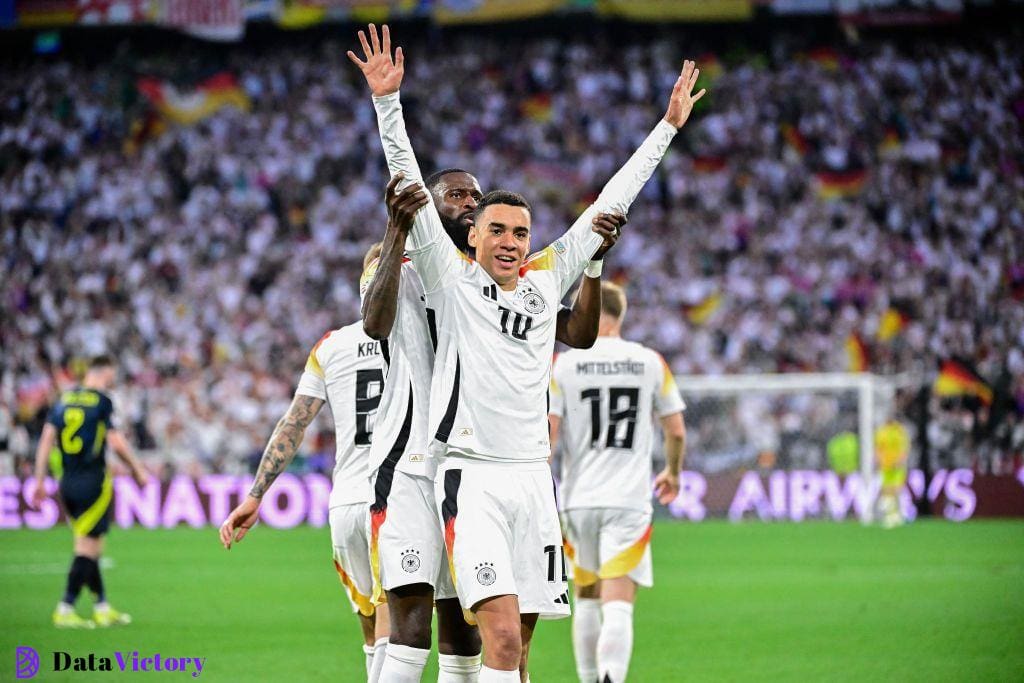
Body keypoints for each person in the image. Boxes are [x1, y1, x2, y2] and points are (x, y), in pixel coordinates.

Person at [347, 23, 704, 681]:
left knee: (518, 651)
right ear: (472, 238)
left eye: (521, 231)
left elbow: (612, 202)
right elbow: (408, 180)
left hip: (537, 479)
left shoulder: (545, 280)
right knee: (500, 638)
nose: (511, 240)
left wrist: (667, 128)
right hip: (472, 475)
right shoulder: (452, 280)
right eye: (497, 230)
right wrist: (386, 103)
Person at [358, 169, 623, 681]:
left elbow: (571, 328)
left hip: (481, 465)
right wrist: (397, 231)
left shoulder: (507, 282)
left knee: (469, 638)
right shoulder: (405, 264)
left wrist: (590, 260)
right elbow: (374, 323)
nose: (468, 202)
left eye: (475, 196)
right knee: (408, 632)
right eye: (456, 195)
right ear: (429, 206)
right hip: (411, 465)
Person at [220, 246, 392, 682]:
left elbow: (292, 425)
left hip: (346, 502)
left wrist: (256, 495)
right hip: (397, 498)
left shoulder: (331, 346)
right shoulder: (422, 336)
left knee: (371, 630)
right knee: (403, 631)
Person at [548, 282, 687, 683]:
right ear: (621, 315)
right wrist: (673, 472)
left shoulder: (564, 365)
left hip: (578, 499)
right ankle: (611, 677)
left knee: (587, 598)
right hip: (627, 498)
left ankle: (589, 678)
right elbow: (675, 430)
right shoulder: (648, 362)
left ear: (586, 311)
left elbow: (549, 436)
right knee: (619, 604)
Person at [29, 355, 149, 628]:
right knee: (87, 548)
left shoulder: (63, 399)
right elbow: (116, 442)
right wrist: (138, 469)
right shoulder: (102, 401)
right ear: (105, 372)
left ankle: (102, 606)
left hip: (67, 482)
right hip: (92, 482)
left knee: (92, 545)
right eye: (112, 375)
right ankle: (65, 607)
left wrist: (38, 480)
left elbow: (46, 440)